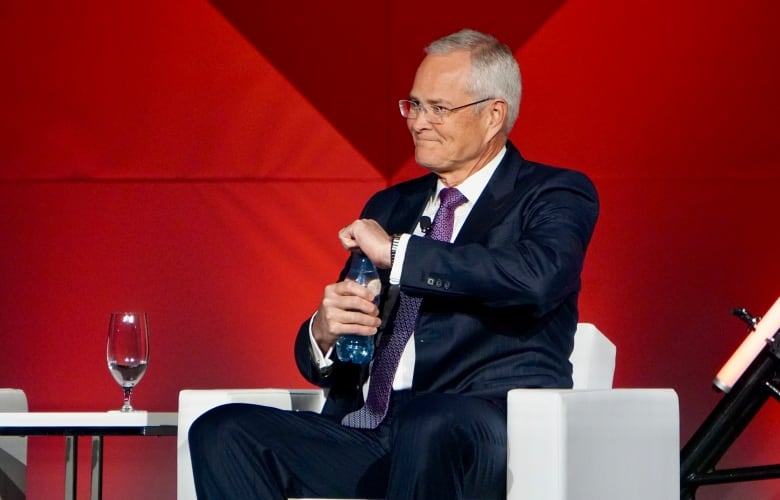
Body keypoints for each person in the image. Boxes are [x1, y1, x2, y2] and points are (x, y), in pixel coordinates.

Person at [189, 28, 599, 499]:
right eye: (414, 105)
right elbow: (334, 352)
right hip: (371, 433)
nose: (419, 123)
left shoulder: (551, 193)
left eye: (438, 108)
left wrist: (397, 254)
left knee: (428, 423)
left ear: (493, 116)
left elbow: (536, 277)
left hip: (473, 428)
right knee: (223, 432)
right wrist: (324, 333)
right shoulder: (391, 205)